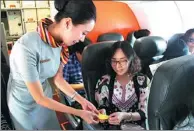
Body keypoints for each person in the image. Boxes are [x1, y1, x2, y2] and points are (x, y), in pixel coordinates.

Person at [7, 0, 99, 130]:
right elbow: (38, 97)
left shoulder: (61, 45)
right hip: (23, 103)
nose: (83, 39)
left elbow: (58, 79)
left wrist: (82, 101)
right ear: (67, 23)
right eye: (83, 33)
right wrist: (79, 113)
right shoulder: (26, 47)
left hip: (46, 98)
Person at [95, 41, 150, 129]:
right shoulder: (104, 81)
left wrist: (124, 116)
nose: (117, 66)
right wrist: (102, 113)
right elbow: (102, 106)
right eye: (114, 61)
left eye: (123, 61)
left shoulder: (142, 81)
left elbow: (144, 112)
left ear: (131, 59)